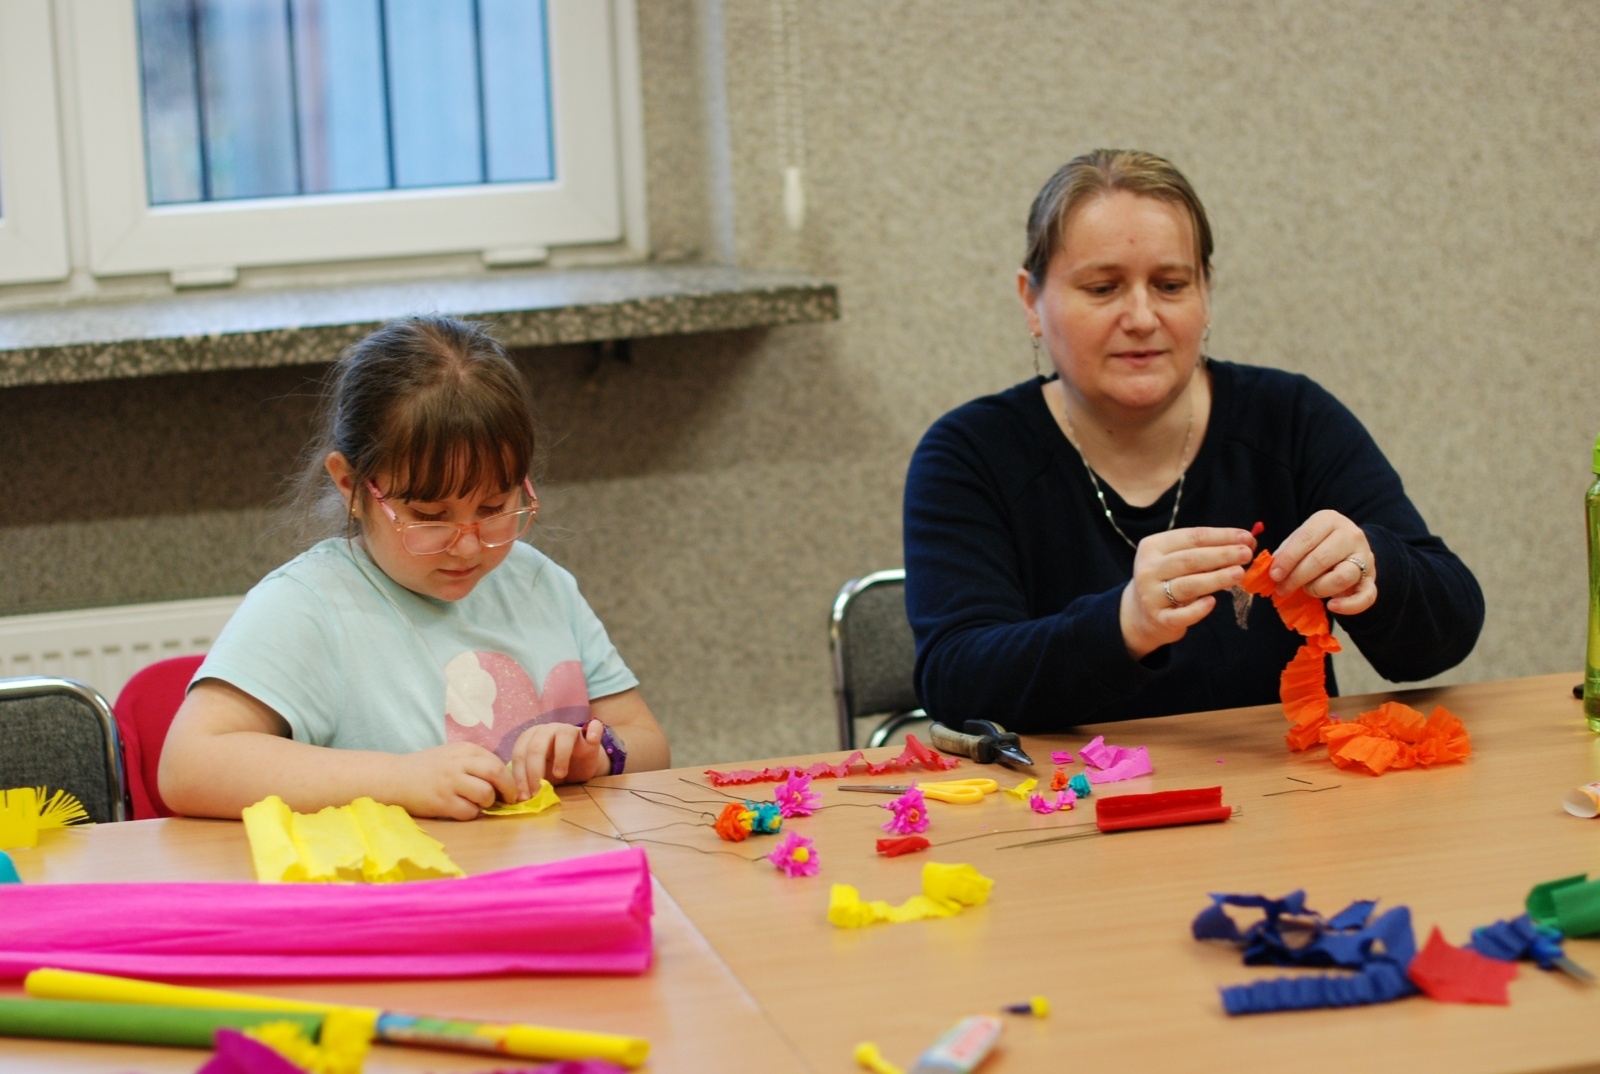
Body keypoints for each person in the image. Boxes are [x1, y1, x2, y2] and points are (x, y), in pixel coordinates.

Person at [903, 149, 1483, 732]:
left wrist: (1375, 567)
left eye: (1171, 285)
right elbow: (956, 682)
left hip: (1282, 782)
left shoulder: (1292, 419)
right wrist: (1126, 623)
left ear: (1205, 292)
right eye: (1103, 288)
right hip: (1064, 787)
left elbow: (1446, 637)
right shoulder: (968, 453)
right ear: (1032, 301)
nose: (1141, 317)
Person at [160, 315, 669, 819]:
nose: (467, 547)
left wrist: (599, 755)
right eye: (429, 516)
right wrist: (397, 779)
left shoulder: (539, 584)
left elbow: (649, 741)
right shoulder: (309, 605)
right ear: (350, 484)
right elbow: (188, 765)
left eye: (493, 507)